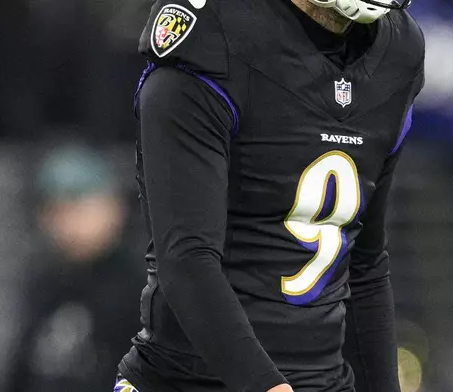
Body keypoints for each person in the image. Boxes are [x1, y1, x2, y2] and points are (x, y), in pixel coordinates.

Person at [116, 0, 425, 391]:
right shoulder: (216, 33)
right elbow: (187, 259)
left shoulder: (399, 50)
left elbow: (363, 266)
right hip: (188, 381)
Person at [4, 144, 143, 392]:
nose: (67, 223)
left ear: (115, 207)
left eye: (79, 207)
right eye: (56, 210)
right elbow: (21, 370)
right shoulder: (44, 281)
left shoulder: (142, 285)